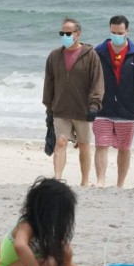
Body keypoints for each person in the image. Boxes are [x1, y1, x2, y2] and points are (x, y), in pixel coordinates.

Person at [0, 177, 87, 266]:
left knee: (65, 250)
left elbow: (65, 261)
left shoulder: (48, 231)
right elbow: (20, 246)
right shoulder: (26, 225)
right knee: (45, 262)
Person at [42, 17, 104, 186]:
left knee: (84, 146)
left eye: (68, 33)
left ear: (78, 33)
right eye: (62, 33)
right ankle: (57, 178)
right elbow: (49, 83)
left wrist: (94, 104)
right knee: (60, 143)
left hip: (83, 110)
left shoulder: (91, 55)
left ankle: (84, 181)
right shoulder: (54, 56)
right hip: (61, 109)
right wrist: (49, 108)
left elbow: (97, 82)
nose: (64, 36)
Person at [93, 15, 134, 188]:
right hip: (103, 107)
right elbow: (90, 79)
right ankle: (100, 181)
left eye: (120, 32)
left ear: (127, 30)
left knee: (124, 148)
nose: (116, 35)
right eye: (113, 32)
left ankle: (120, 184)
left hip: (127, 107)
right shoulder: (99, 51)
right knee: (101, 144)